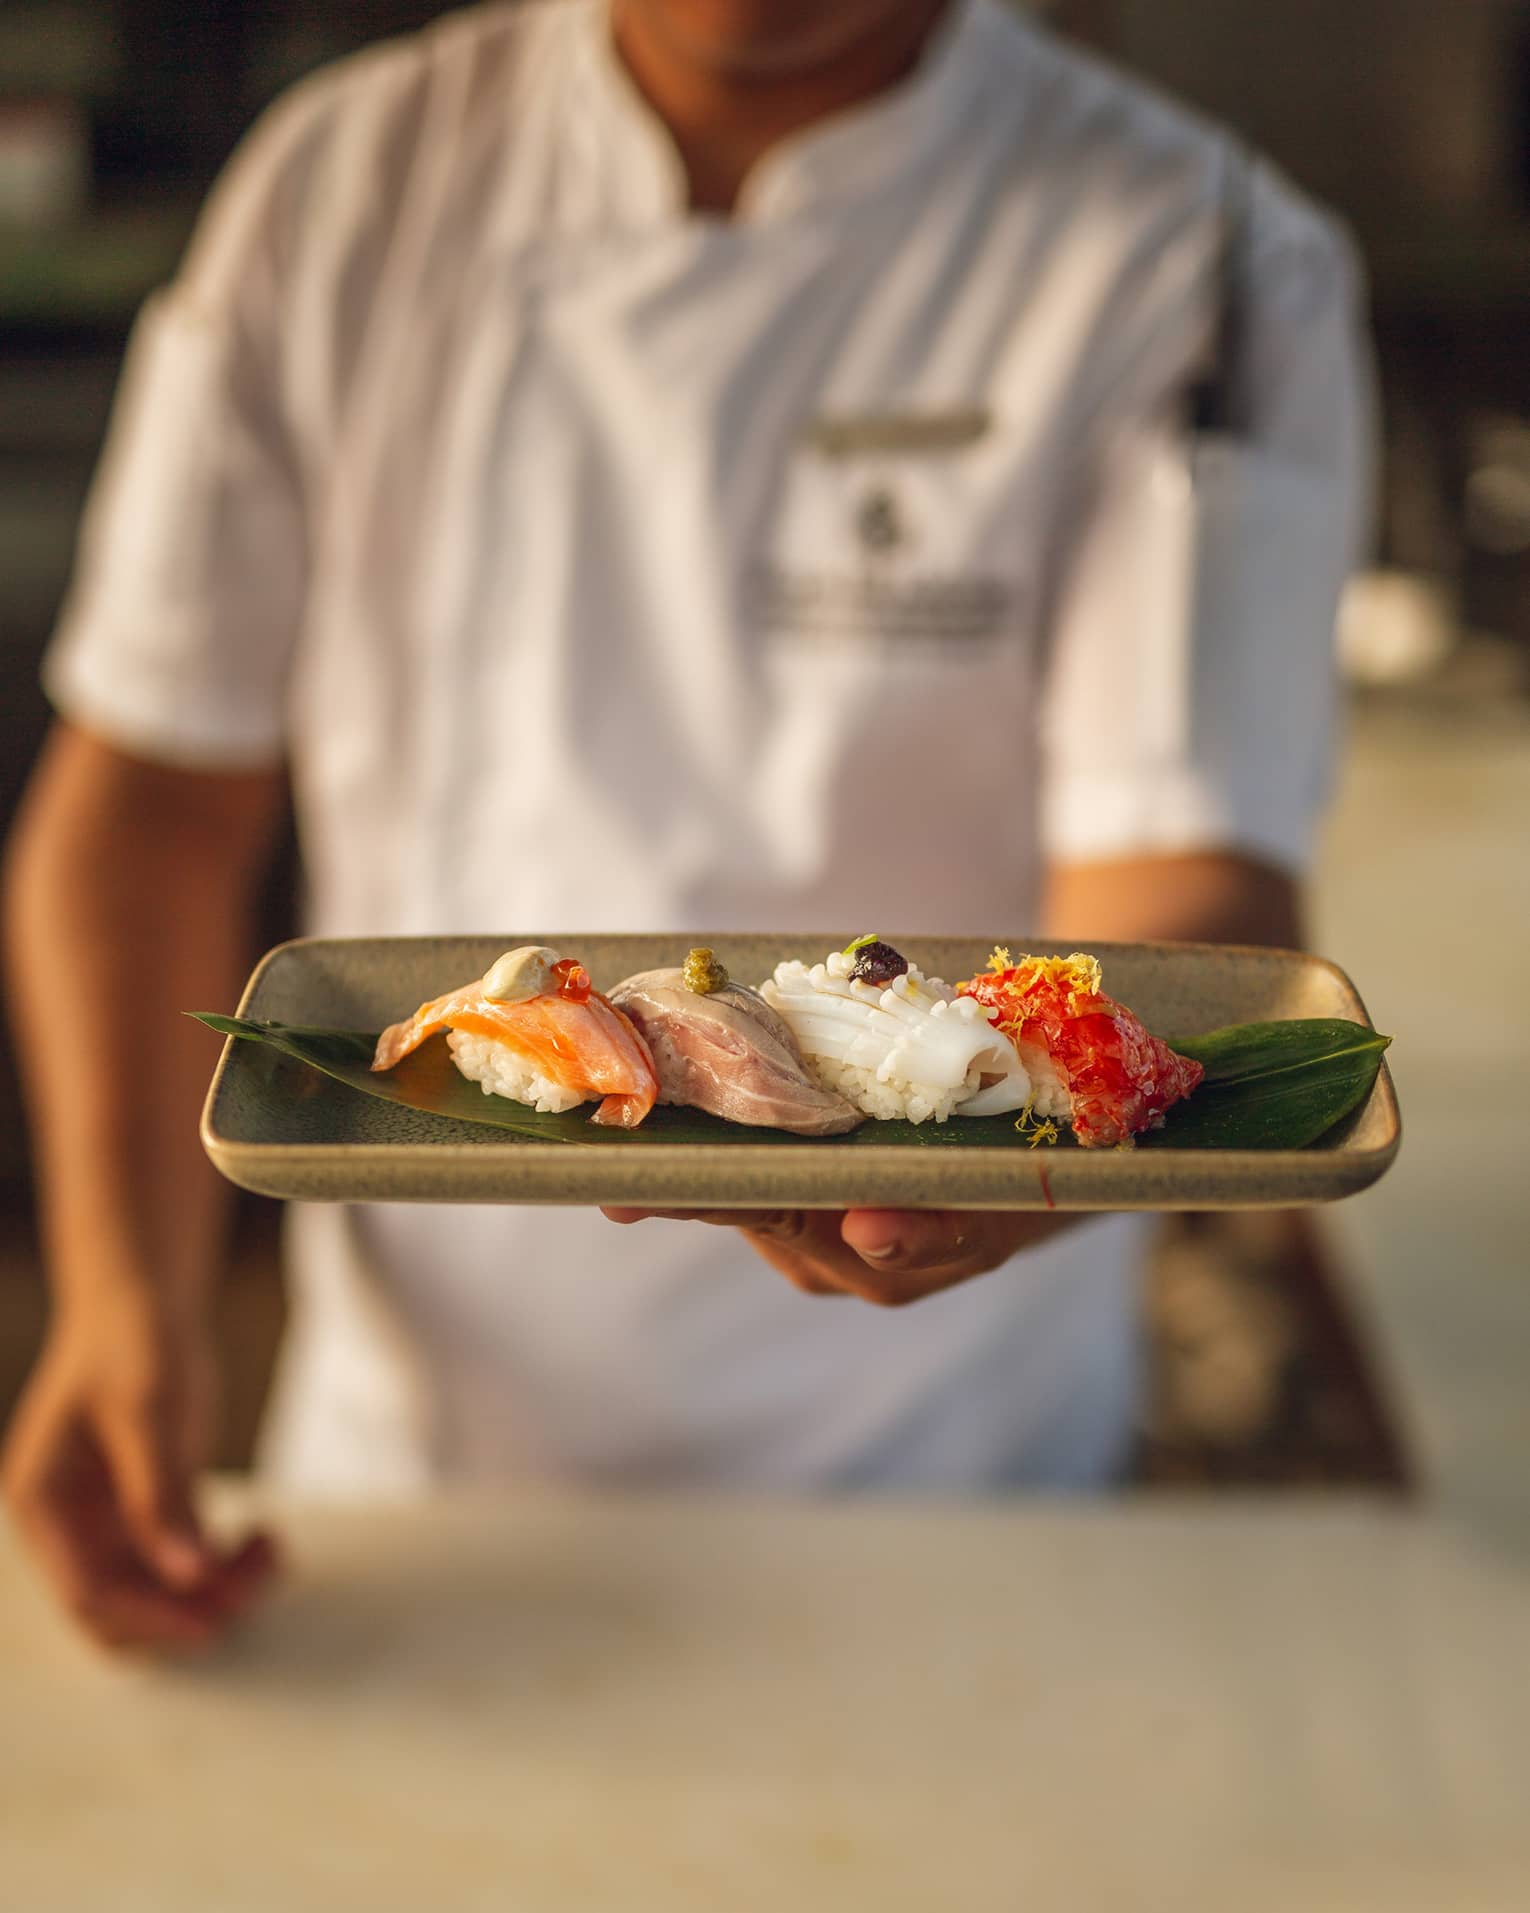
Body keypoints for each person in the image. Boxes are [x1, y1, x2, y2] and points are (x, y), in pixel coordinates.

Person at [1, 0, 1371, 1652]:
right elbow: (146, 802)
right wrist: (122, 1300)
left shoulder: (1199, 242)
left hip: (954, 1485)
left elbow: (1177, 884)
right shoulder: (344, 179)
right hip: (412, 1476)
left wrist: (1030, 1131)